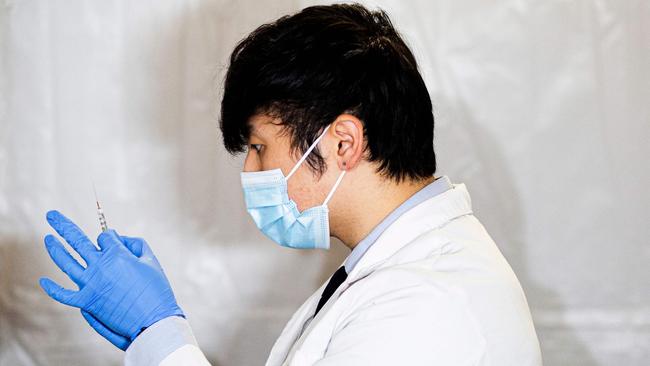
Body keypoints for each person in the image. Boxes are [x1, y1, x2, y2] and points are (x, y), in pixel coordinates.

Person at [39, 3, 543, 365]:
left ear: (343, 143)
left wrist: (161, 336)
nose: (249, 173)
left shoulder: (425, 305)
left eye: (259, 147)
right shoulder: (399, 269)